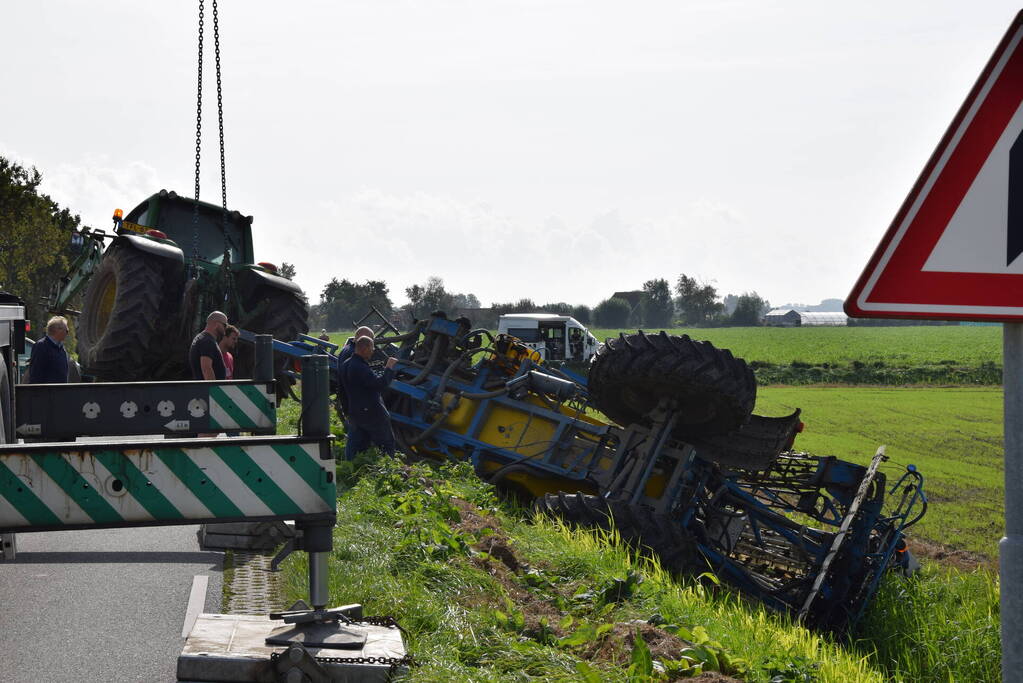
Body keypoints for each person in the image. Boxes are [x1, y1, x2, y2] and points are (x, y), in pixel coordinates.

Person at [340, 336, 398, 455]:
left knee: (356, 445)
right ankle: (389, 468)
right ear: (365, 348)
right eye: (371, 348)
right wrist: (389, 368)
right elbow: (380, 384)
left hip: (355, 412)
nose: (373, 351)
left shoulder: (346, 364)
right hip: (371, 413)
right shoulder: (360, 367)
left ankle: (351, 468)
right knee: (387, 444)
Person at [28, 316, 70, 384]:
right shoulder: (41, 346)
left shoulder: (62, 349)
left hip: (60, 393)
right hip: (46, 393)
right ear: (57, 330)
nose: (67, 333)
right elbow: (35, 375)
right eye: (66, 331)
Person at [189, 311, 228, 380]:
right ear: (216, 324)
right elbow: (206, 369)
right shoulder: (207, 341)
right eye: (224, 325)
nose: (226, 328)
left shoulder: (203, 339)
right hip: (208, 389)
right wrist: (213, 389)